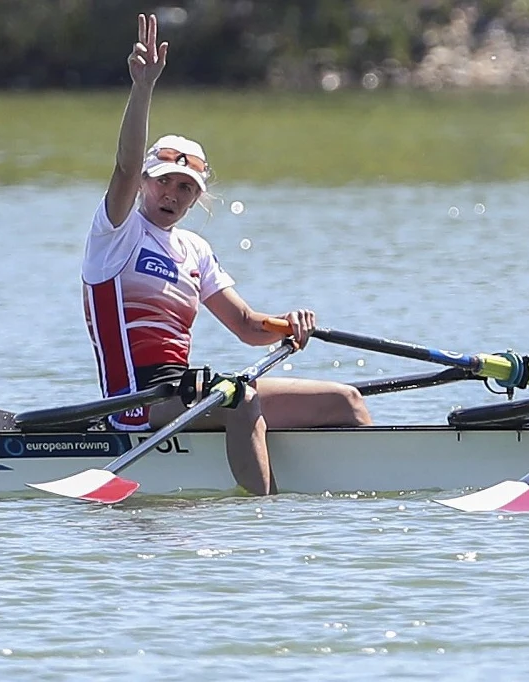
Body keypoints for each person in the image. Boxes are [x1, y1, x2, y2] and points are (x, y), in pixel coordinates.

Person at [81, 13, 371, 495]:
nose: (172, 194)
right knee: (240, 399)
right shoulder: (116, 233)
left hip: (189, 391)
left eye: (185, 188)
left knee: (346, 400)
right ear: (145, 185)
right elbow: (126, 164)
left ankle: (369, 512)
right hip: (135, 400)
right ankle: (264, 516)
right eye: (163, 182)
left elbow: (248, 327)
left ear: (196, 198)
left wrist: (289, 325)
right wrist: (143, 88)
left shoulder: (195, 250)